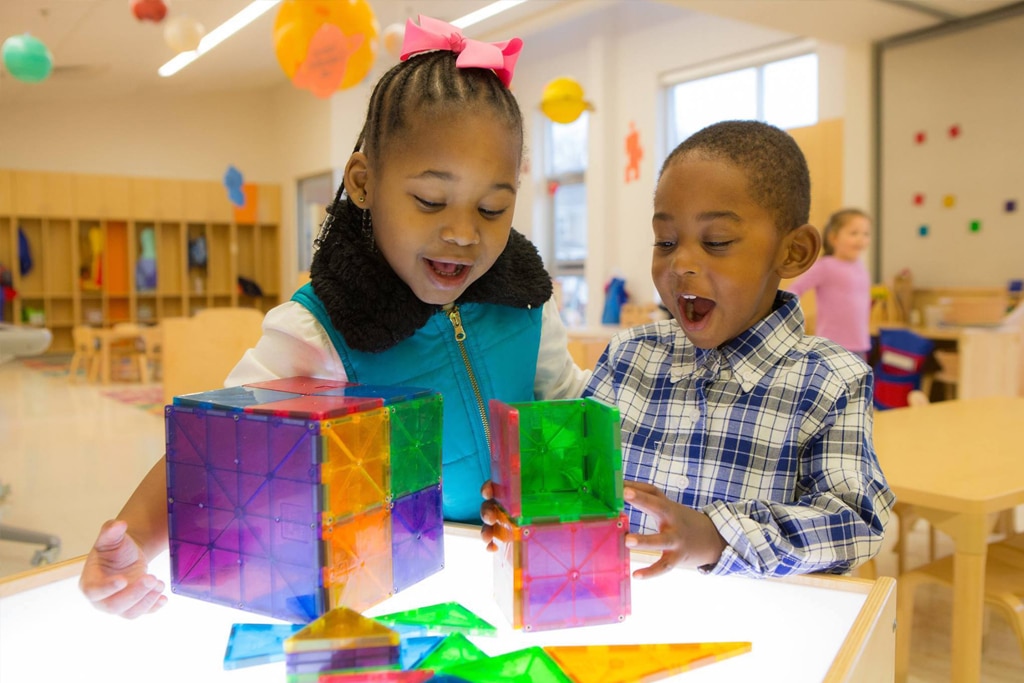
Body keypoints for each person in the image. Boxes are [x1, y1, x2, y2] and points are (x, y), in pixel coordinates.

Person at [79, 16, 589, 619]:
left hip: (507, 578)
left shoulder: (527, 303)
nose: (462, 233)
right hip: (393, 592)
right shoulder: (318, 328)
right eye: (430, 200)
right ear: (364, 183)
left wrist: (558, 501)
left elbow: (567, 408)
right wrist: (134, 541)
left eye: (492, 207)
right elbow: (220, 447)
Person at [481, 120, 894, 580]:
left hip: (757, 633)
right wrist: (526, 496)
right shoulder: (629, 355)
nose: (681, 264)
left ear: (793, 252)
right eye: (666, 242)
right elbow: (579, 477)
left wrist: (716, 536)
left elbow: (855, 522)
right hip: (624, 619)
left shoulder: (831, 379)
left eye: (716, 242)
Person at [785, 208, 873, 360]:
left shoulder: (860, 265)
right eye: (854, 233)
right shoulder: (825, 266)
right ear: (834, 238)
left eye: (865, 234)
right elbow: (795, 289)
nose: (861, 239)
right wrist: (793, 317)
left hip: (859, 345)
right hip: (832, 346)